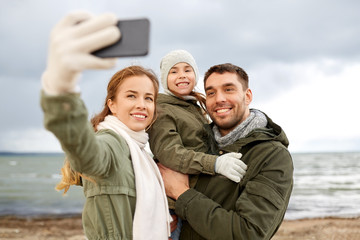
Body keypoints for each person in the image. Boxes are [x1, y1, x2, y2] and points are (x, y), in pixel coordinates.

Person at [40, 12, 171, 239]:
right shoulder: (111, 142)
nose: (142, 105)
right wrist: (61, 87)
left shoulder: (141, 152)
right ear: (112, 104)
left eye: (149, 98)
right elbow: (85, 152)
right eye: (131, 96)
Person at [158, 63, 294, 240]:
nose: (219, 99)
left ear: (247, 96)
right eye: (211, 92)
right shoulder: (194, 142)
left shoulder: (273, 156)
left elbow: (248, 233)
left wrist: (181, 193)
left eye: (228, 89)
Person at [148, 51, 248, 239]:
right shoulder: (162, 110)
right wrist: (215, 164)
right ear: (164, 79)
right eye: (174, 72)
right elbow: (170, 153)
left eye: (187, 69)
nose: (182, 75)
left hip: (193, 195)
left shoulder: (193, 106)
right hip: (172, 205)